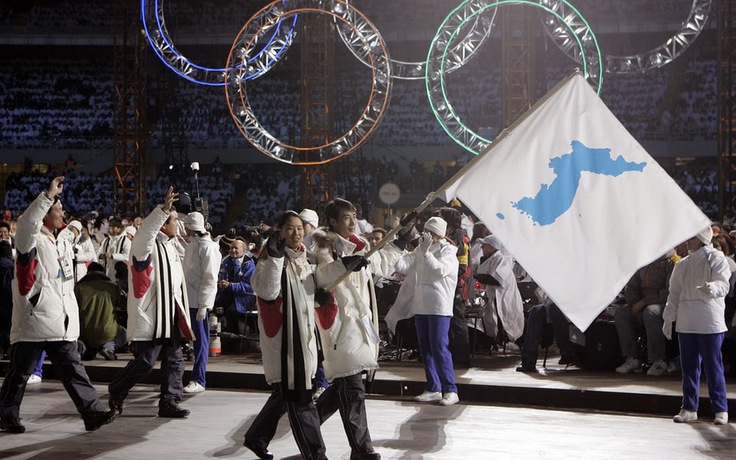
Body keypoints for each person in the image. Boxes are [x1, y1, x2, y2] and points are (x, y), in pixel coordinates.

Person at [0, 176, 117, 434]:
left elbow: (72, 238)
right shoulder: (30, 239)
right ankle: (7, 415)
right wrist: (47, 195)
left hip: (58, 321)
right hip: (35, 320)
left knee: (73, 370)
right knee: (19, 373)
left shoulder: (57, 241)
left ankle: (91, 412)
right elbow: (28, 221)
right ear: (44, 214)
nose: (61, 210)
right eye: (57, 208)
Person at [244, 211, 341, 460]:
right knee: (301, 400)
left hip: (304, 340)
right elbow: (267, 291)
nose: (296, 233)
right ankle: (316, 454)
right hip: (285, 343)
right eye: (290, 228)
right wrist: (275, 258)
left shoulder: (308, 260)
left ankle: (256, 437)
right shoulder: (269, 259)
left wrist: (320, 298)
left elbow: (306, 300)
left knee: (285, 394)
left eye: (299, 228)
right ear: (280, 231)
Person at [107, 186, 195, 419]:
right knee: (145, 362)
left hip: (171, 313)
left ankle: (169, 401)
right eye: (174, 220)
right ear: (163, 223)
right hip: (153, 316)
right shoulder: (144, 244)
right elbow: (146, 230)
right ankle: (117, 388)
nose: (178, 224)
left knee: (175, 360)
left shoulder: (172, 245)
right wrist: (163, 209)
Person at [312, 198, 381, 460]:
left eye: (354, 216)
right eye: (346, 218)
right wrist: (345, 264)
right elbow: (322, 277)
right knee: (353, 389)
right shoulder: (324, 249)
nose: (352, 222)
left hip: (359, 326)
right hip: (341, 327)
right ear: (332, 221)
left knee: (344, 387)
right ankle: (362, 449)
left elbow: (382, 268)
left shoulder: (361, 247)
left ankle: (308, 424)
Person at [662, 227, 730, 425]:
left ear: (700, 239)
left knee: (713, 366)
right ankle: (689, 408)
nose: (687, 241)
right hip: (687, 322)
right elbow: (674, 293)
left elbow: (724, 284)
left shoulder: (716, 258)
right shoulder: (682, 264)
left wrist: (713, 287)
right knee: (689, 368)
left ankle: (720, 408)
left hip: (709, 321)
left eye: (691, 238)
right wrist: (668, 317)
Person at [393, 216, 460, 406]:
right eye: (426, 232)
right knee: (425, 349)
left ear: (440, 235)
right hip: (421, 304)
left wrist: (425, 253)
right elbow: (402, 266)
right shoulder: (422, 249)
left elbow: (438, 270)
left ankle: (451, 389)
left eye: (432, 233)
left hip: (439, 306)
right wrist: (399, 245)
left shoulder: (449, 253)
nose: (427, 236)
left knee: (439, 347)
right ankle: (433, 387)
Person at [614, 254, 675, 376]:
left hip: (664, 304)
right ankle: (632, 358)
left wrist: (644, 302)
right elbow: (632, 287)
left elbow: (669, 292)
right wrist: (633, 303)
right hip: (641, 304)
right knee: (622, 313)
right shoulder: (643, 263)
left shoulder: (671, 263)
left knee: (651, 312)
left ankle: (658, 360)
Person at [181, 212, 222, 394]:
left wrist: (205, 304)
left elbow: (210, 278)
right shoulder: (193, 244)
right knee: (191, 341)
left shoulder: (207, 247)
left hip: (198, 301)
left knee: (201, 341)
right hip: (187, 299)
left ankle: (199, 378)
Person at [474, 235, 525, 347]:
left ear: (491, 247)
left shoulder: (501, 260)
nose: (482, 247)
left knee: (508, 321)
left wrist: (479, 277)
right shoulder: (491, 259)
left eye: (485, 245)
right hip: (494, 298)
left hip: (504, 297)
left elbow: (497, 279)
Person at [75, 262, 125, 361]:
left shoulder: (78, 288)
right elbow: (123, 304)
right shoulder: (113, 287)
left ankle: (83, 348)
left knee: (88, 344)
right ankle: (109, 347)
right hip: (108, 332)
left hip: (85, 332)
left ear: (88, 272)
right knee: (123, 333)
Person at [216, 237, 256, 335]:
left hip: (243, 297)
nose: (233, 251)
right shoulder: (226, 262)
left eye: (236, 248)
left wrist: (231, 285)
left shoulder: (249, 265)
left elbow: (249, 287)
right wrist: (220, 284)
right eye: (232, 248)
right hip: (227, 294)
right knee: (214, 307)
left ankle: (235, 340)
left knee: (231, 311)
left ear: (243, 250)